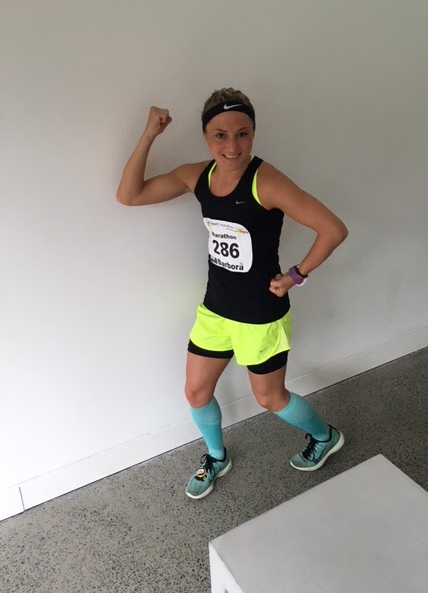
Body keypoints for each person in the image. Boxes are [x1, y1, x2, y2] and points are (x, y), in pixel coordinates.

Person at [116, 88, 348, 500]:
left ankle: (324, 436)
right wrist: (150, 134)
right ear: (206, 137)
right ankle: (216, 457)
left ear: (253, 133)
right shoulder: (197, 176)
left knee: (270, 399)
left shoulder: (266, 181)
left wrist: (295, 275)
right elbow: (129, 195)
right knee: (195, 391)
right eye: (220, 135)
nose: (233, 146)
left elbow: (333, 229)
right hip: (216, 309)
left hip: (260, 313)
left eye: (243, 134)